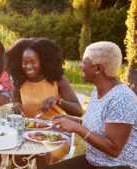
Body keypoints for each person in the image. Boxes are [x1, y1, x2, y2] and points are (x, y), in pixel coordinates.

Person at [46, 41, 137, 169]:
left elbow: (114, 149)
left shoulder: (122, 98)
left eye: (84, 62)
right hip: (94, 162)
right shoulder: (98, 90)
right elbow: (98, 125)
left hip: (116, 166)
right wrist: (72, 120)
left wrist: (78, 128)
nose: (80, 66)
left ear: (98, 68)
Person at [6, 38, 83, 168]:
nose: (28, 66)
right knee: (16, 157)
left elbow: (78, 111)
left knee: (44, 156)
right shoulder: (19, 84)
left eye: (33, 62)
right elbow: (17, 108)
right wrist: (16, 108)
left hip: (58, 133)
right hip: (29, 133)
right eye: (25, 62)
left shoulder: (58, 80)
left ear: (42, 61)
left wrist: (58, 101)